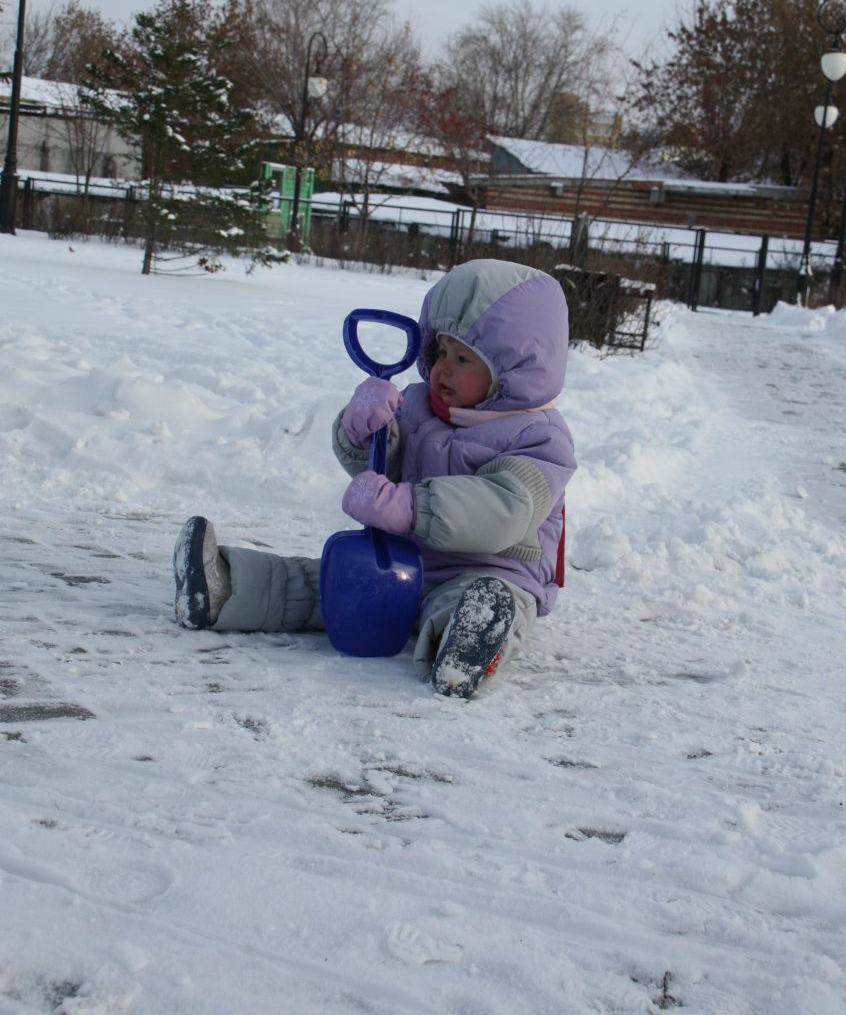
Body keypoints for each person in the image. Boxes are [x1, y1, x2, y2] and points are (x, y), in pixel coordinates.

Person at [173, 257, 577, 699]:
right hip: (405, 561)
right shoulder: (420, 405)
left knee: (476, 602)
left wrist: (409, 507)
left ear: (515, 369)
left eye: (463, 358)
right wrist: (360, 429)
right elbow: (380, 465)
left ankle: (468, 646)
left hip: (492, 571)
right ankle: (225, 586)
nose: (442, 368)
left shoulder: (540, 439)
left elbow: (505, 509)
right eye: (440, 351)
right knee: (327, 583)